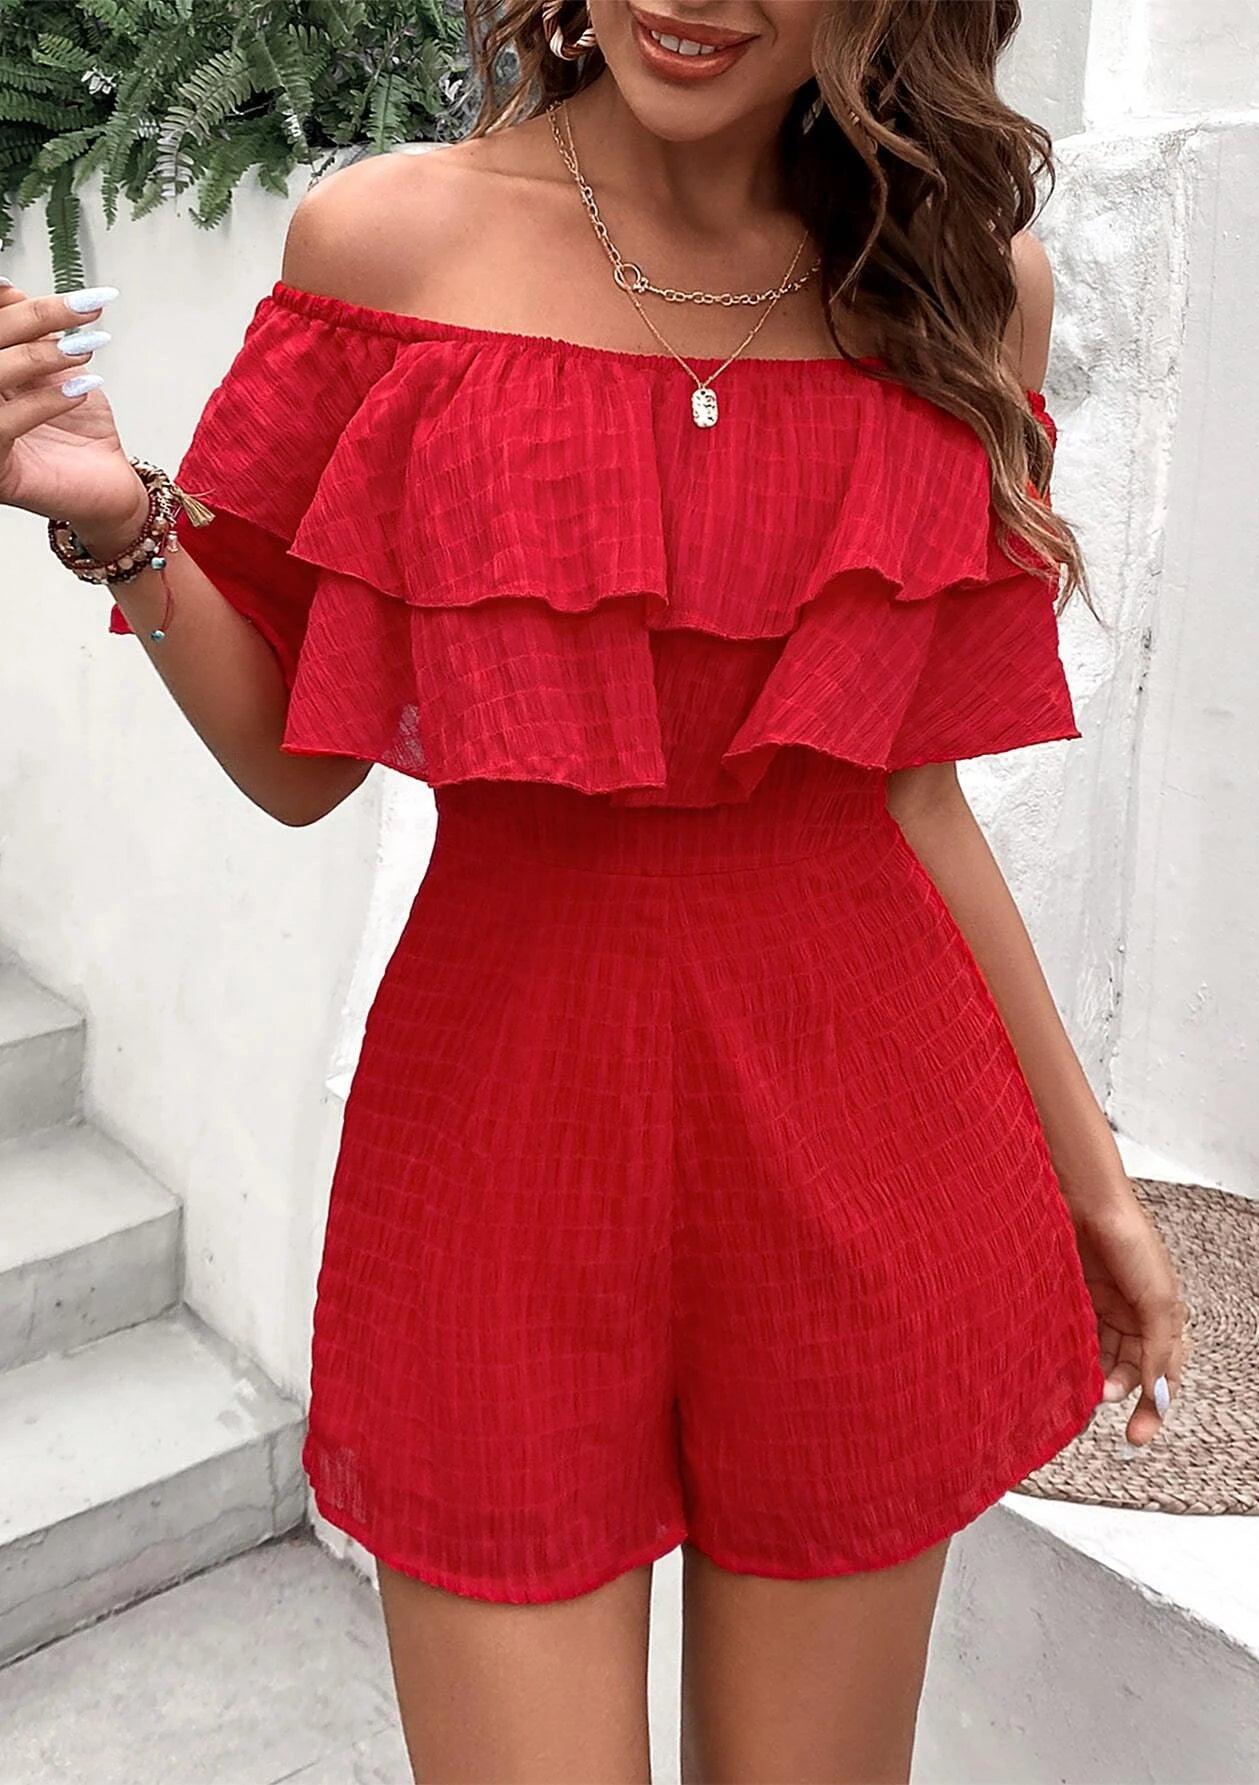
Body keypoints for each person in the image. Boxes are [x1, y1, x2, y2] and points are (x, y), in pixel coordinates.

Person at [3, 2, 1189, 1779]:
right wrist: (113, 517)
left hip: (875, 1151)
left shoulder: (960, 286)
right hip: (503, 1155)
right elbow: (298, 764)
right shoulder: (387, 247)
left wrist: (1092, 1183)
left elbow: (915, 796)